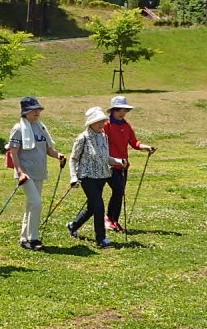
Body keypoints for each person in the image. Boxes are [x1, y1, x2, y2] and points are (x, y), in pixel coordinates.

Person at [7, 97, 65, 251]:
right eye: (34, 110)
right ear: (25, 112)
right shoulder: (18, 128)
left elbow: (48, 149)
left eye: (38, 110)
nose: (37, 112)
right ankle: (33, 238)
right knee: (37, 204)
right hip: (26, 173)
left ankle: (24, 238)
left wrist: (58, 155)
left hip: (39, 172)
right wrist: (19, 172)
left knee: (32, 205)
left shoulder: (41, 127)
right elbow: (13, 152)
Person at [66, 106, 127, 248]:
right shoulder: (83, 138)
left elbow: (105, 158)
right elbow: (73, 159)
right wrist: (73, 177)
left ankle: (73, 225)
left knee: (92, 208)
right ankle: (101, 239)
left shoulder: (104, 136)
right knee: (99, 206)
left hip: (102, 175)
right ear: (90, 123)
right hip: (87, 177)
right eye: (98, 121)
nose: (101, 124)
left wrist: (118, 161)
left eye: (103, 121)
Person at [103, 96, 156, 233]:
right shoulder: (106, 125)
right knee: (118, 190)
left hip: (123, 165)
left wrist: (145, 147)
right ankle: (108, 218)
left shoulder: (126, 126)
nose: (122, 113)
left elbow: (134, 142)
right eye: (120, 110)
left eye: (125, 110)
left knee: (120, 193)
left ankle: (114, 220)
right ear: (113, 110)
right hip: (109, 164)